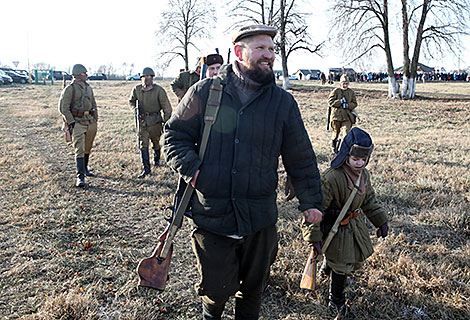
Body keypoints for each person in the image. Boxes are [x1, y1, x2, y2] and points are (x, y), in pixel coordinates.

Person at [162, 24, 324, 320]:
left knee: (253, 290)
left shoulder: (282, 103)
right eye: (261, 49)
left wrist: (311, 202)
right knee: (216, 291)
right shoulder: (205, 92)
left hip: (259, 218)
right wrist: (197, 174)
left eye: (272, 50)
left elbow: (300, 156)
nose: (269, 56)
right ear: (238, 52)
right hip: (213, 215)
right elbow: (173, 136)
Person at [301, 127, 389, 319]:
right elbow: (315, 208)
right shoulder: (331, 177)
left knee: (348, 259)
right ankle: (336, 301)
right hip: (333, 228)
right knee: (341, 265)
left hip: (353, 227)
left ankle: (327, 268)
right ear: (345, 154)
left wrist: (381, 221)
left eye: (363, 160)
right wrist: (314, 236)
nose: (359, 164)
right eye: (355, 159)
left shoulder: (363, 176)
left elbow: (369, 200)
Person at [58, 64, 98, 187]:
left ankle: (85, 169)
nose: (86, 75)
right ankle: (80, 177)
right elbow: (63, 108)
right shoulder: (70, 89)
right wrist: (72, 122)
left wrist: (95, 118)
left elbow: (93, 103)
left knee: (88, 146)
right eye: (84, 73)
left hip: (89, 121)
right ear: (78, 75)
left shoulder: (88, 88)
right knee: (79, 149)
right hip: (77, 121)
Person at [129, 67, 172, 178]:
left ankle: (156, 159)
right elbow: (131, 101)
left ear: (152, 78)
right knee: (143, 145)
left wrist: (166, 122)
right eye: (144, 77)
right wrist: (135, 110)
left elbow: (167, 108)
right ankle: (146, 169)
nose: (146, 79)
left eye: (148, 76)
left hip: (155, 122)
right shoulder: (136, 89)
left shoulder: (159, 90)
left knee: (156, 143)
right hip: (142, 122)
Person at [327, 74, 358, 154]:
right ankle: (334, 147)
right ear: (340, 83)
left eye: (346, 83)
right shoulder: (336, 91)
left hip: (347, 116)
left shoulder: (351, 92)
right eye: (343, 83)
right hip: (336, 116)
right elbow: (330, 102)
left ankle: (345, 150)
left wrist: (347, 105)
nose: (345, 85)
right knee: (335, 133)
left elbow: (355, 103)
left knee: (346, 133)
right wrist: (340, 102)